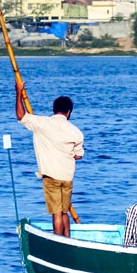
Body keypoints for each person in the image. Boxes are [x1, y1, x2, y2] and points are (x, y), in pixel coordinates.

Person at [15, 83, 84, 236]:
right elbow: (78, 155)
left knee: (56, 213)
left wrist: (19, 93)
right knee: (64, 211)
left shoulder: (42, 123)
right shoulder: (76, 131)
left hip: (51, 176)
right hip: (67, 176)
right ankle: (67, 238)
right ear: (68, 112)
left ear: (54, 109)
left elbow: (21, 115)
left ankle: (58, 240)